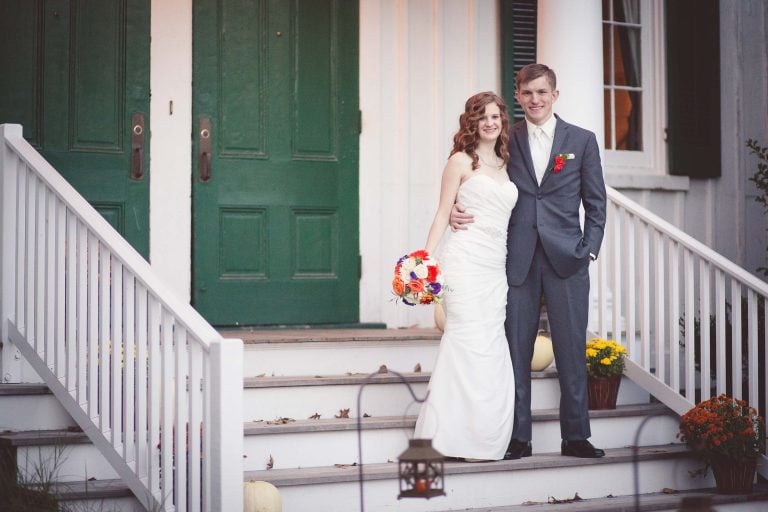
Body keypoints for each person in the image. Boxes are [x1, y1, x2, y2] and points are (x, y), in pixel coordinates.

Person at [451, 64, 607, 459]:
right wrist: (456, 207)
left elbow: (596, 203)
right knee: (515, 349)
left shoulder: (582, 140)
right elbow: (470, 172)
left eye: (542, 92)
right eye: (527, 93)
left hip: (567, 259)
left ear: (555, 95)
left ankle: (576, 436)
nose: (535, 99)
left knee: (571, 349)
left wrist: (587, 248)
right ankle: (518, 436)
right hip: (516, 259)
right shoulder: (505, 138)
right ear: (517, 97)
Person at [413, 92, 518, 461]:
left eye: (495, 116)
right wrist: (424, 262)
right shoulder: (460, 161)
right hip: (463, 261)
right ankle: (447, 437)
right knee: (466, 341)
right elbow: (443, 212)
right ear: (471, 123)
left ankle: (482, 437)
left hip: (495, 268)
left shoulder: (509, 163)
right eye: (482, 117)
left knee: (490, 346)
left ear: (503, 121)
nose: (490, 123)